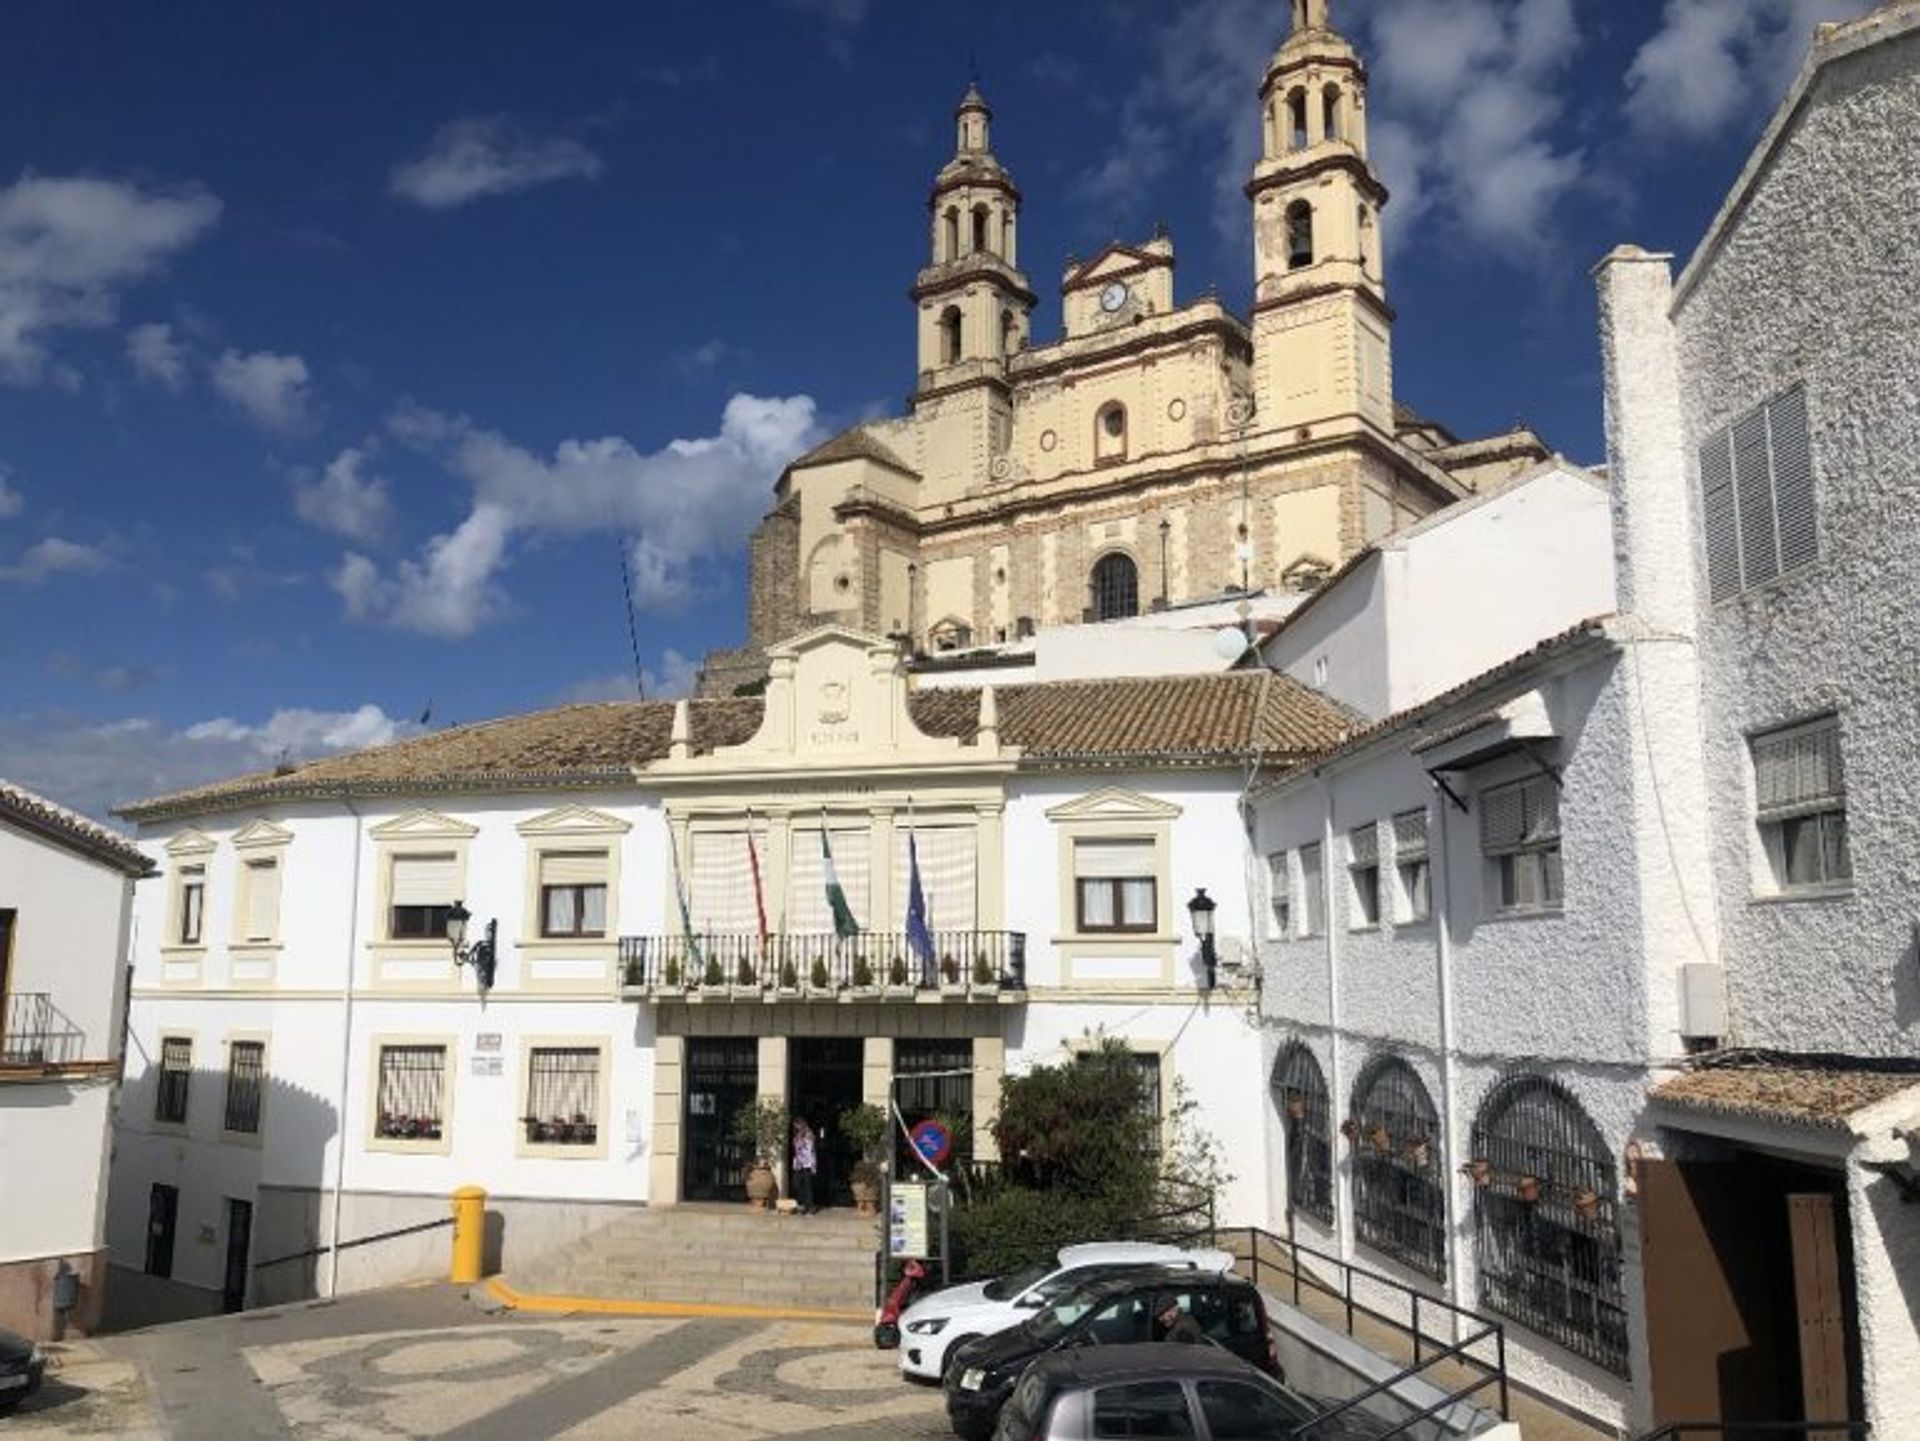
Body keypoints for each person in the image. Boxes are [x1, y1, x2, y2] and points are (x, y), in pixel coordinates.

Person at [791, 1116, 819, 1214]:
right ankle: (803, 1204)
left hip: (807, 1163)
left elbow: (811, 1150)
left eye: (796, 1124)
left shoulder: (809, 1133)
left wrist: (813, 1164)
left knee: (807, 1185)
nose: (795, 1127)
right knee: (797, 1184)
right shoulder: (797, 1134)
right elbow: (796, 1149)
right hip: (799, 1163)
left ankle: (809, 1206)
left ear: (800, 1124)